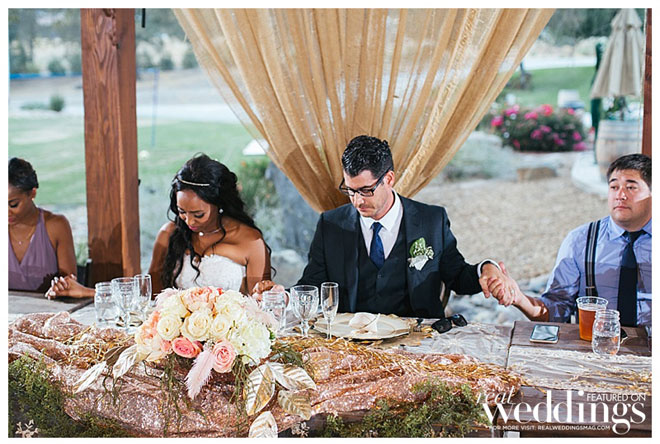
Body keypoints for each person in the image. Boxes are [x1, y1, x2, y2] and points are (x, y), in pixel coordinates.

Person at [260, 135, 514, 318]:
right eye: (350, 190)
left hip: (419, 342)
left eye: (366, 190)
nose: (357, 201)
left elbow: (458, 277)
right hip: (352, 344)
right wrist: (285, 297)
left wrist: (486, 268)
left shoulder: (431, 220)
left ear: (389, 179)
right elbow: (313, 283)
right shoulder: (331, 225)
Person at [47, 154, 272, 298]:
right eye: (181, 212)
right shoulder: (169, 234)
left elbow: (261, 306)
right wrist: (87, 292)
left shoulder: (250, 242)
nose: (189, 221)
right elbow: (149, 296)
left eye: (198, 214)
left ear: (220, 203)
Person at [495, 154, 651, 328]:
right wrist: (519, 298)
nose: (620, 195)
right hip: (597, 342)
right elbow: (556, 310)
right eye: (614, 187)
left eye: (631, 187)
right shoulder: (580, 241)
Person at [8, 157, 78, 293]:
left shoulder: (56, 226)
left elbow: (70, 285)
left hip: (50, 306)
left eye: (13, 204)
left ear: (32, 193)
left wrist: (61, 286)